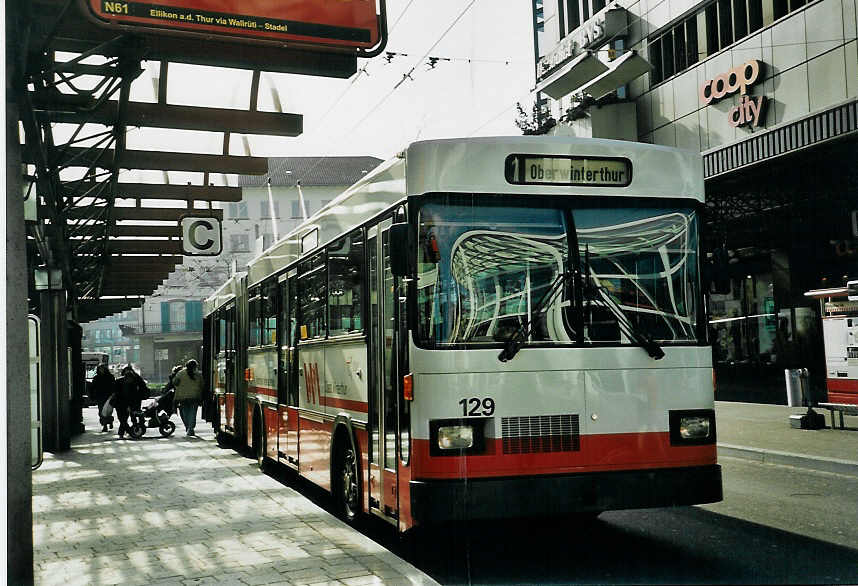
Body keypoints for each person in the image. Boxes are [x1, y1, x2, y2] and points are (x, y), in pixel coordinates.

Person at [114, 365, 149, 439]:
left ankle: (131, 431)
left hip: (132, 402)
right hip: (120, 404)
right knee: (123, 419)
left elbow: (140, 390)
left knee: (131, 417)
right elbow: (116, 394)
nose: (130, 381)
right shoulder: (119, 382)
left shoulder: (135, 381)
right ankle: (129, 431)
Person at [173, 359, 203, 436]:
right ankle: (191, 428)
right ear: (195, 366)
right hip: (195, 396)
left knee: (185, 413)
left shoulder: (180, 373)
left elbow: (175, 382)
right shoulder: (198, 374)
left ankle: (188, 427)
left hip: (182, 397)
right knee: (192, 413)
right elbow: (202, 385)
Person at [91, 365, 116, 432]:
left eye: (102, 369)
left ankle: (110, 421)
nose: (101, 370)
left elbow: (114, 386)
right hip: (100, 397)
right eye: (100, 369)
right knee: (101, 412)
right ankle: (105, 425)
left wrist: (113, 394)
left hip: (109, 397)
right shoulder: (96, 378)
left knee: (108, 411)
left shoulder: (110, 377)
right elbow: (93, 387)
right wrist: (92, 396)